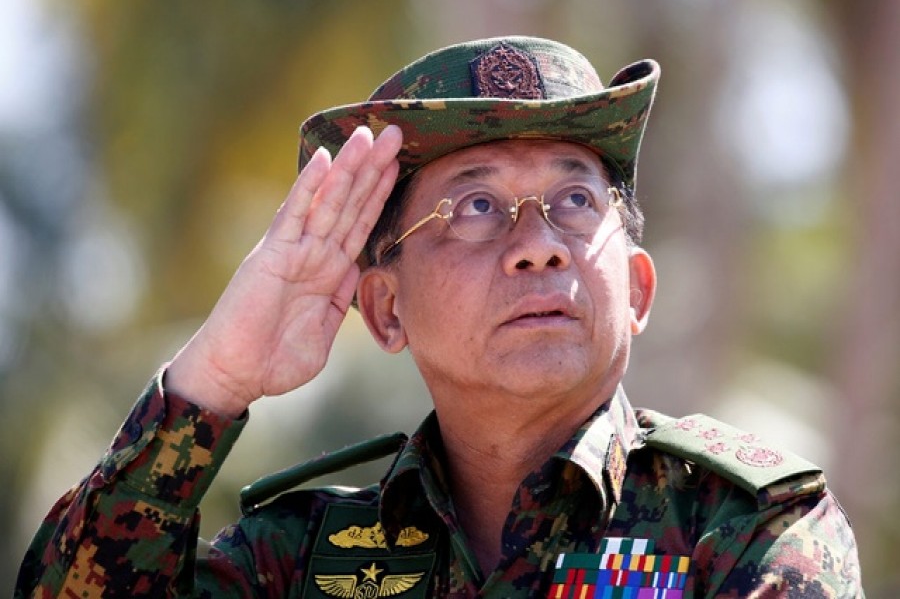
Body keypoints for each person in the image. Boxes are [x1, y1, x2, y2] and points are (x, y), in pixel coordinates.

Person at [16, 36, 863, 598]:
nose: (539, 247)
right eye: (476, 207)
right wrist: (213, 383)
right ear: (385, 310)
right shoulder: (298, 559)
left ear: (637, 291)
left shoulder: (746, 529)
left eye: (574, 200)